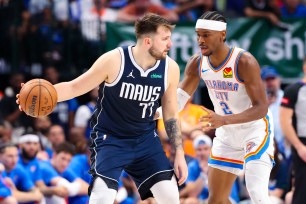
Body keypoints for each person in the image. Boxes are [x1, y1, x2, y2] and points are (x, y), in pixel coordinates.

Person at [17, 13, 187, 204]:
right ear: (148, 41)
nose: (170, 44)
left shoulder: (170, 68)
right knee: (102, 197)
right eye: (165, 39)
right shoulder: (114, 60)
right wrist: (37, 96)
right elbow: (74, 87)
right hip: (111, 139)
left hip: (146, 140)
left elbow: (171, 113)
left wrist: (179, 153)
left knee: (171, 197)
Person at [158, 11, 275, 203]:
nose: (200, 40)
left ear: (222, 35)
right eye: (198, 35)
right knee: (216, 200)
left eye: (205, 35)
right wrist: (154, 113)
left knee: (257, 194)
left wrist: (223, 119)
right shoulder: (197, 62)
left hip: (254, 131)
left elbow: (261, 108)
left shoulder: (244, 62)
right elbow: (178, 98)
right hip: (227, 134)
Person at [280, 56, 306, 204]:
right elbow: (284, 121)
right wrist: (299, 146)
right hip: (302, 144)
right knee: (302, 190)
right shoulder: (294, 90)